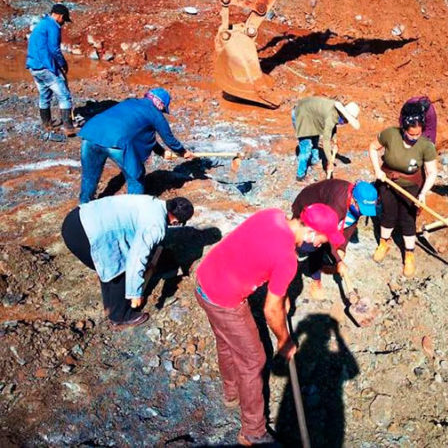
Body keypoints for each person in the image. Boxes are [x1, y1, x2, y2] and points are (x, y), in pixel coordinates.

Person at [194, 204, 344, 447]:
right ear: (311, 234)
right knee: (254, 359)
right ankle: (252, 431)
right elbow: (270, 310)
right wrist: (285, 341)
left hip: (205, 281)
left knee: (226, 340)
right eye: (321, 241)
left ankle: (231, 393)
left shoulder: (271, 215)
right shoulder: (287, 259)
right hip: (224, 300)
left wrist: (283, 298)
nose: (319, 246)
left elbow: (260, 257)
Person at [61, 194, 194, 327]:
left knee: (111, 267)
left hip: (76, 218)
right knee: (120, 269)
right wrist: (134, 293)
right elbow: (135, 258)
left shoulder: (153, 202)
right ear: (176, 221)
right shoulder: (155, 225)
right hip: (85, 233)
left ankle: (110, 305)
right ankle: (120, 315)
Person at [78, 88, 194, 203]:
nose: (162, 111)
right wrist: (183, 152)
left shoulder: (130, 102)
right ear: (159, 103)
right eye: (163, 108)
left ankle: (84, 205)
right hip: (117, 143)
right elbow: (169, 139)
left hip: (91, 134)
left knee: (89, 175)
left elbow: (143, 136)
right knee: (136, 177)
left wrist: (161, 152)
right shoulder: (155, 114)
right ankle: (132, 208)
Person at [369, 112, 437, 277]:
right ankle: (384, 243)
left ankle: (409, 254)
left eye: (417, 134)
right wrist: (377, 170)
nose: (414, 137)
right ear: (403, 129)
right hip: (388, 182)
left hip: (411, 186)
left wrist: (423, 194)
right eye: (410, 134)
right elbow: (372, 148)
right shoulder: (391, 134)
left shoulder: (426, 146)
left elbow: (431, 172)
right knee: (388, 214)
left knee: (408, 218)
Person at [292, 179, 378, 298]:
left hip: (324, 212)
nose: (363, 213)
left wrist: (342, 248)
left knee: (327, 245)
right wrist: (338, 260)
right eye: (361, 208)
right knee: (314, 246)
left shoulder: (354, 203)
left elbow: (350, 224)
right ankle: (315, 280)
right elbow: (326, 233)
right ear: (353, 200)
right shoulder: (337, 204)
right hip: (307, 207)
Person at [25, 3, 75, 137]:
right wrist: (63, 64)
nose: (63, 23)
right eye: (64, 20)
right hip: (45, 67)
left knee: (44, 95)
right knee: (64, 96)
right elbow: (54, 49)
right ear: (60, 16)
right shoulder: (53, 26)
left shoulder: (42, 24)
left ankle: (46, 123)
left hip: (33, 66)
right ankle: (68, 127)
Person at [292, 96, 360, 181]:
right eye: (346, 121)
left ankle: (314, 161)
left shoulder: (336, 113)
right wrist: (330, 162)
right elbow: (326, 141)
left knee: (315, 140)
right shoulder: (331, 116)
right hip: (301, 115)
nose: (346, 123)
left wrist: (335, 141)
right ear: (343, 115)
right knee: (306, 148)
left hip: (312, 117)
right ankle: (300, 175)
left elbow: (333, 125)